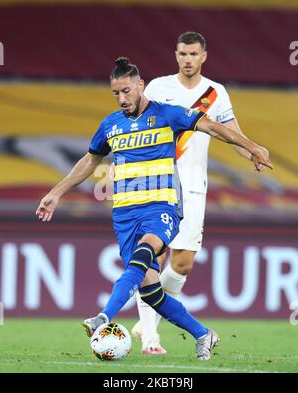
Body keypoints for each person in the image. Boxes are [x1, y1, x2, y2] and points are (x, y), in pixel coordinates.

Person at [36, 57, 272, 361]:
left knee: (144, 254)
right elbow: (90, 161)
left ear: (140, 85)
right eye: (116, 94)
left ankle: (103, 318)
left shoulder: (167, 114)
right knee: (150, 292)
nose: (122, 99)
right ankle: (204, 334)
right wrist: (56, 193)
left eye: (126, 91)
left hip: (161, 207)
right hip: (124, 215)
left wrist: (253, 146)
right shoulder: (111, 125)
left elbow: (212, 127)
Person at [131, 31, 269, 355]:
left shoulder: (216, 93)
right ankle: (150, 337)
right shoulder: (157, 88)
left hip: (194, 185)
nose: (187, 60)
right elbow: (137, 129)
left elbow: (231, 135)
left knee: (182, 264)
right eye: (182, 54)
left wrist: (252, 153)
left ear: (204, 56)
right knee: (155, 254)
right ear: (175, 55)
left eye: (193, 54)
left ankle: (149, 315)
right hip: (158, 181)